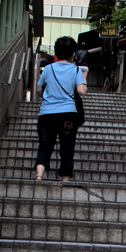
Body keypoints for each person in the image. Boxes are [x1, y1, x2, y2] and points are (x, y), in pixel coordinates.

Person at [31, 37, 87, 182]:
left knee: (45, 146)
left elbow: (38, 89)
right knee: (67, 149)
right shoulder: (75, 70)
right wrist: (84, 77)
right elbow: (81, 91)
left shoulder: (48, 68)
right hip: (68, 114)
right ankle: (65, 181)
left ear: (56, 52)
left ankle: (39, 175)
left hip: (47, 114)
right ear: (72, 54)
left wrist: (49, 97)